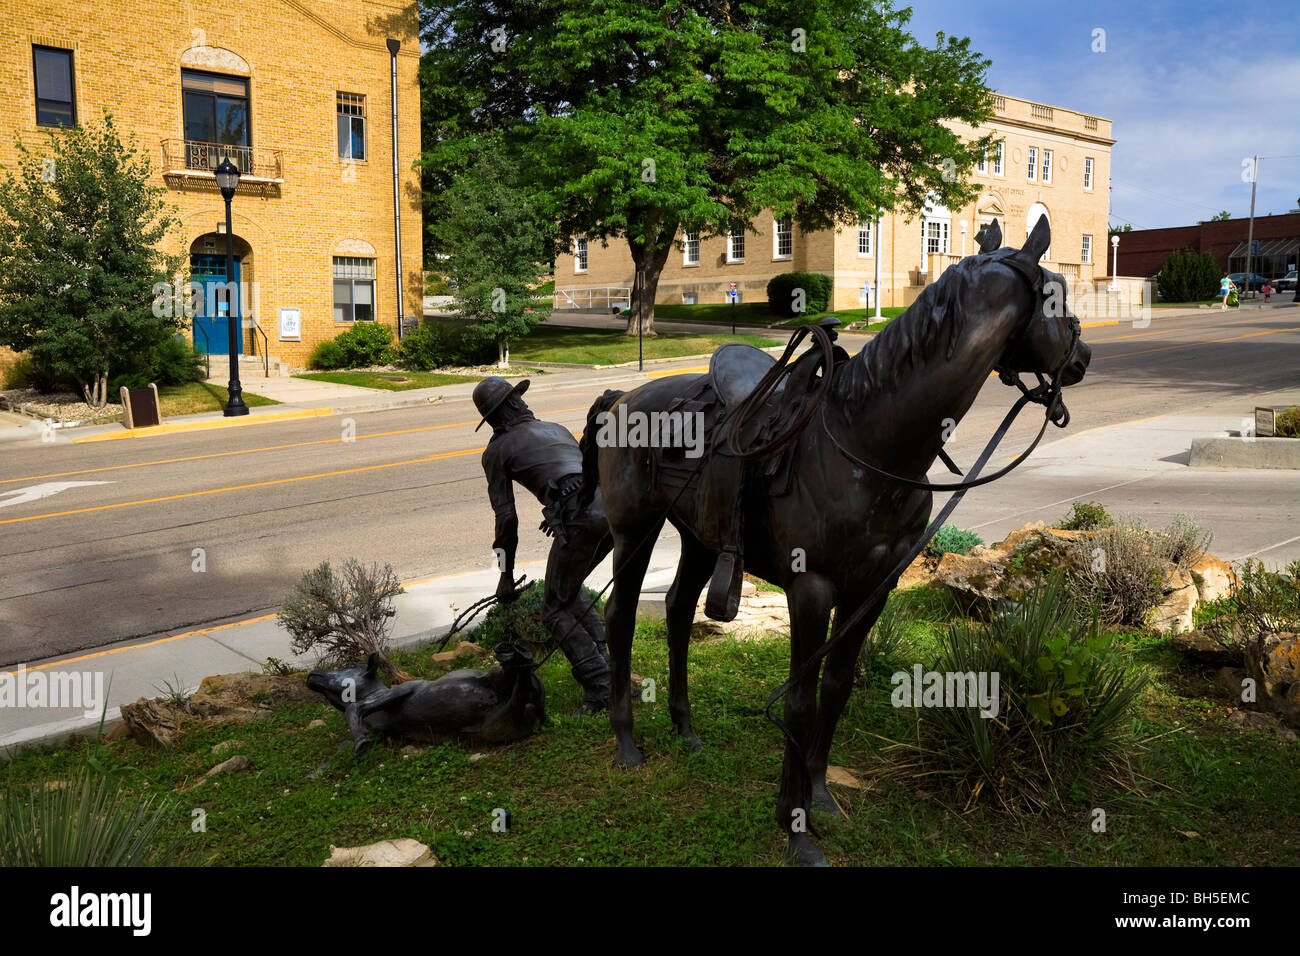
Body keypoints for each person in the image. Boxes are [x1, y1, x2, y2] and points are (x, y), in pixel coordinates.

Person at [474, 376, 613, 714]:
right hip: (610, 508)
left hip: (580, 517)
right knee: (568, 587)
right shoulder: (555, 427)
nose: (524, 403)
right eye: (517, 399)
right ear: (507, 408)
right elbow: (580, 473)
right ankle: (609, 668)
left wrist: (505, 576)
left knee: (554, 609)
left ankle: (602, 689)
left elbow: (506, 520)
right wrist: (559, 507)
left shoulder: (497, 450)